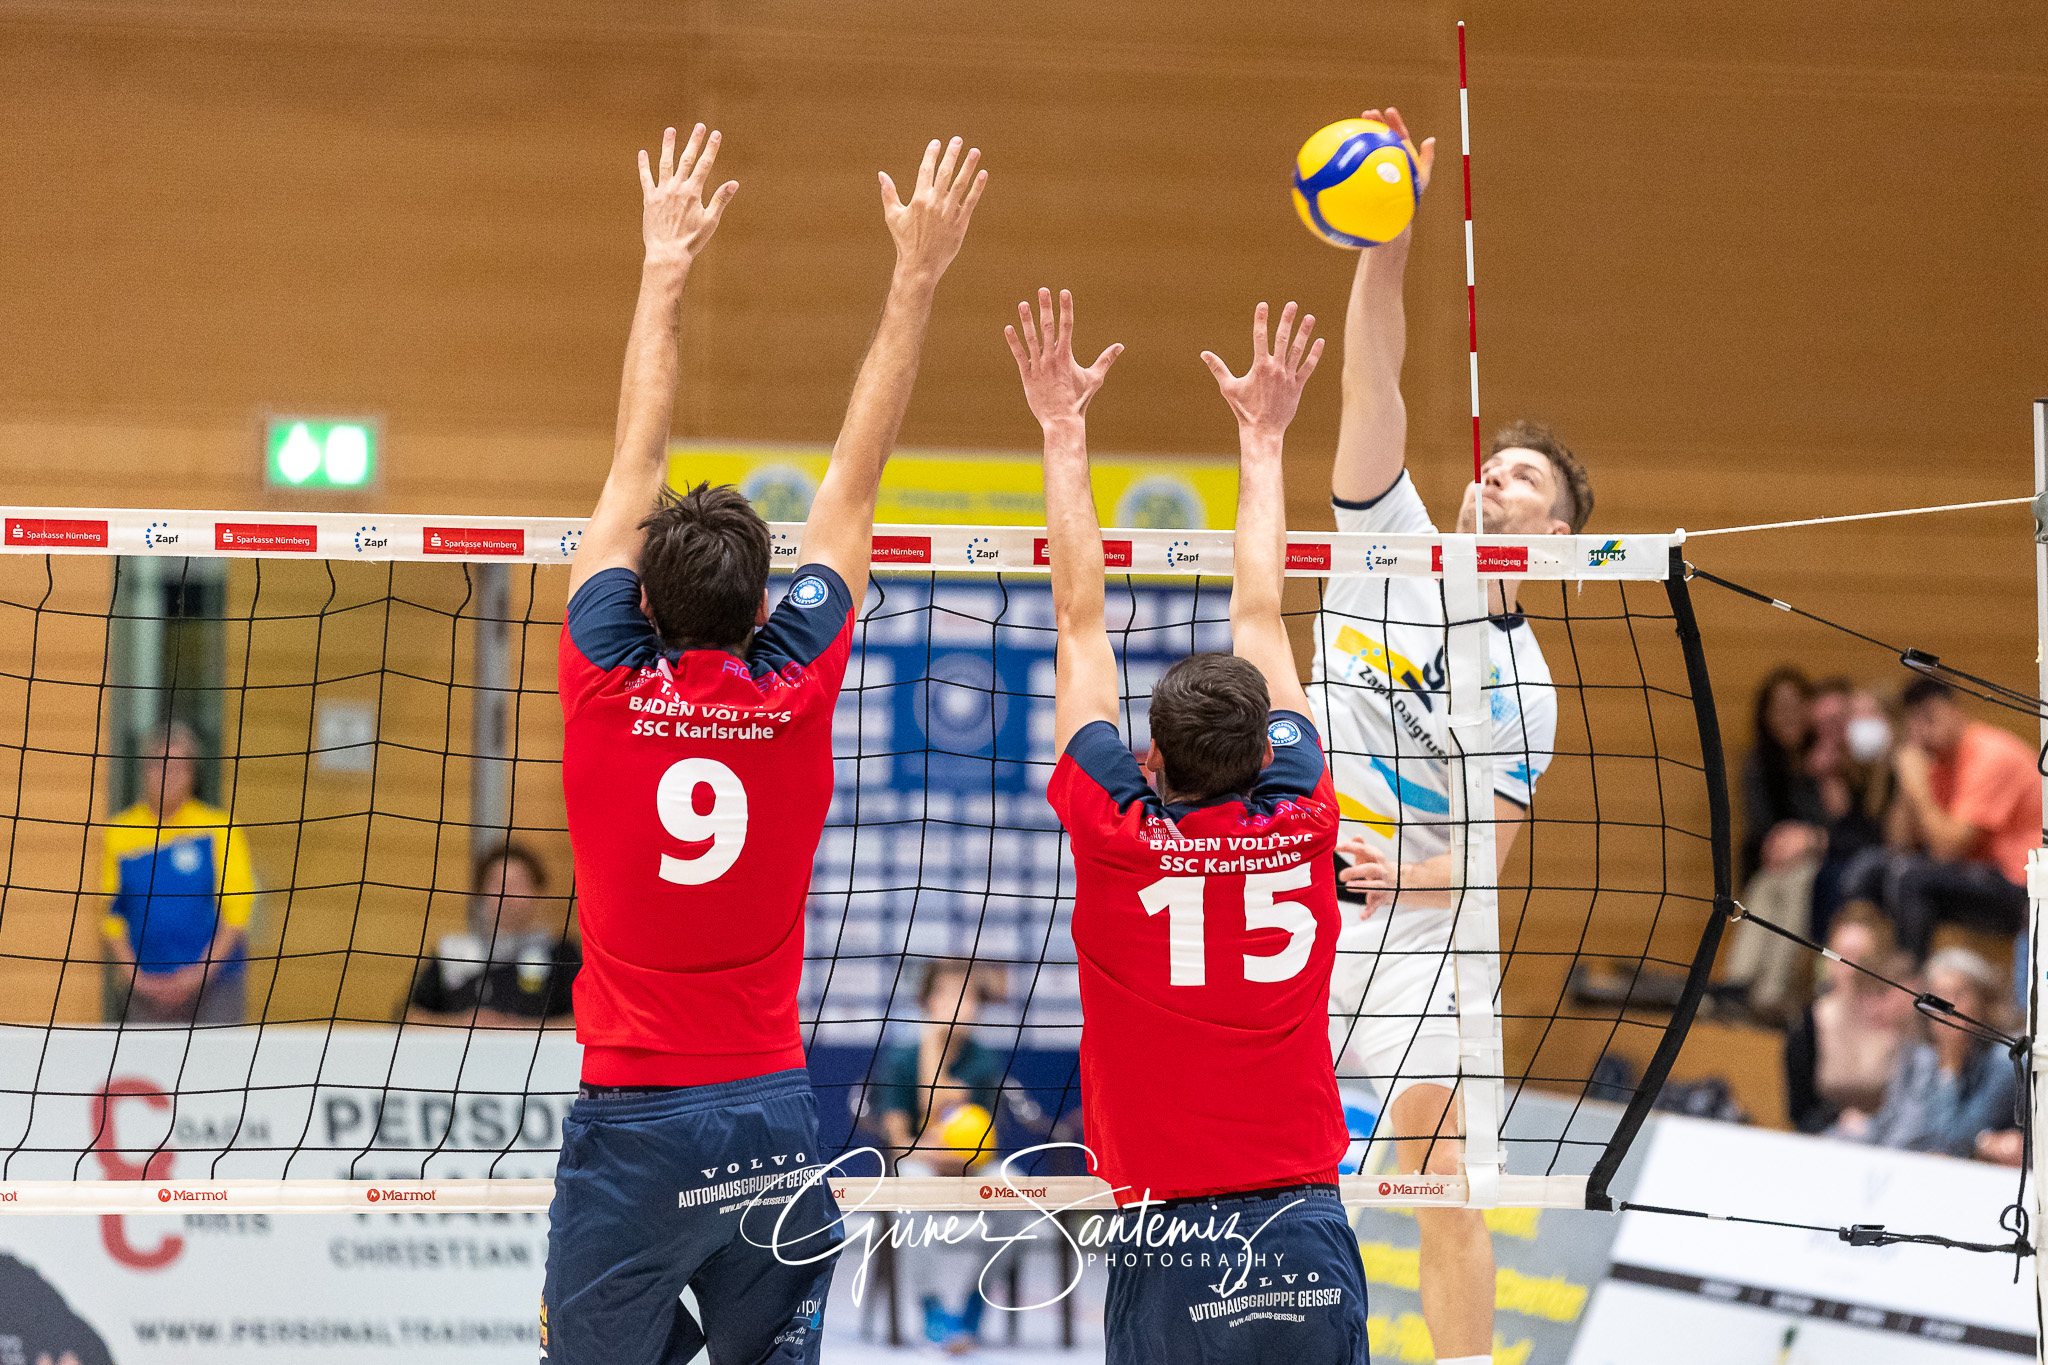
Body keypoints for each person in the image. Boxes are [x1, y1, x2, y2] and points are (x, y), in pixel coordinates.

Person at [540, 124, 985, 1365]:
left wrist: (664, 263)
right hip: (769, 1118)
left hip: (636, 1120)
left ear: (641, 595)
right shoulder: (791, 681)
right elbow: (852, 484)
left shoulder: (601, 677)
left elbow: (636, 458)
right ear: (758, 609)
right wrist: (915, 278)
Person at [1017, 287, 1367, 1363]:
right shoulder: (1306, 809)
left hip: (1170, 1232)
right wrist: (1262, 439)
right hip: (1303, 1218)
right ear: (1267, 754)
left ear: (1150, 762)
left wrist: (1061, 427)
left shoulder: (1120, 834)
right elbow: (1259, 614)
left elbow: (1080, 620)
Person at [1308, 107, 1588, 1365]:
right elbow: (1377, 375)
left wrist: (1392, 867)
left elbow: (1489, 854)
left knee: (1437, 1182)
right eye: (1498, 467)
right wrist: (1387, 234)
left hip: (1425, 934)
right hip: (1291, 905)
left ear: (1567, 543)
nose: (1500, 478)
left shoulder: (1524, 686)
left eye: (1531, 480)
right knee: (1257, 1177)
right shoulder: (1386, 540)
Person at [1849, 678, 2040, 958]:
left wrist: (1920, 791)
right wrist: (1907, 787)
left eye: (1930, 716)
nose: (1925, 728)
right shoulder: (1939, 761)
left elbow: (1948, 850)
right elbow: (1900, 843)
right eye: (1916, 719)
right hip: (1982, 871)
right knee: (1869, 869)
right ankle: (1857, 967)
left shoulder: (1990, 754)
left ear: (1955, 710)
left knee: (1910, 879)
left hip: (2022, 883)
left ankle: (1909, 981)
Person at [875, 959, 1009, 1353]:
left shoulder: (983, 1061)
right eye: (949, 995)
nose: (961, 1006)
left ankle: (974, 1306)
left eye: (969, 998)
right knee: (912, 1186)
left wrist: (949, 1151)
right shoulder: (901, 1059)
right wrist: (932, 1042)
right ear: (927, 1001)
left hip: (971, 1167)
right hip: (922, 1165)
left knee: (1017, 1191)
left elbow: (984, 1145)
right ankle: (932, 1309)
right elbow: (901, 1142)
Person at [101, 720, 257, 1025]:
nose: (166, 776)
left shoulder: (219, 828)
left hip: (216, 989)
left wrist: (196, 975)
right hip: (146, 991)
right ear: (144, 771)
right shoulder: (119, 832)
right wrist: (137, 977)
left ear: (192, 774)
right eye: (158, 766)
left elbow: (237, 911)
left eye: (177, 767)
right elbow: (110, 916)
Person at [1720, 667, 1829, 1020]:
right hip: (1778, 866)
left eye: (1797, 706)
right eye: (1780, 708)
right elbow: (1764, 830)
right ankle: (1738, 984)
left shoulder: (1827, 760)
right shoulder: (1759, 763)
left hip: (1825, 862)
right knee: (1767, 885)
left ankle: (1770, 993)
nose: (1790, 716)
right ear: (1766, 716)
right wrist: (1790, 844)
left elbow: (1845, 824)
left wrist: (1812, 839)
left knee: (1796, 878)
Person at [1838, 947, 2017, 1157]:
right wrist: (1863, 1127)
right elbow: (1896, 1126)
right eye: (1937, 998)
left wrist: (1950, 1068)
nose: (1945, 1009)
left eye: (1956, 994)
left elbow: (1951, 1141)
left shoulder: (2003, 1061)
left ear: (1983, 1002)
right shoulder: (1920, 1055)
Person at [403, 842, 577, 1028]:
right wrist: (464, 1023)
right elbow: (409, 1019)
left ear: (537, 892)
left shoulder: (562, 956)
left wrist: (515, 1028)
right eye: (497, 884)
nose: (506, 894)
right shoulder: (453, 954)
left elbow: (580, 1023)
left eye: (517, 884)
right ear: (481, 893)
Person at [1783, 904, 1916, 1134]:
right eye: (1839, 955)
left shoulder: (1898, 1017)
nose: (1847, 967)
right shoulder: (1806, 1025)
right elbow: (1800, 1111)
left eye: (1859, 957)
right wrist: (1838, 1124)